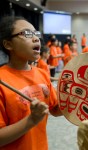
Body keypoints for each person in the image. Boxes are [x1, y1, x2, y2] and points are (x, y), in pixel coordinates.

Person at [0, 16, 62, 150]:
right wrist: (31, 120)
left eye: (36, 34)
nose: (35, 38)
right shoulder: (1, 81)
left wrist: (78, 98)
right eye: (27, 34)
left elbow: (55, 109)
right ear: (8, 44)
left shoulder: (42, 74)